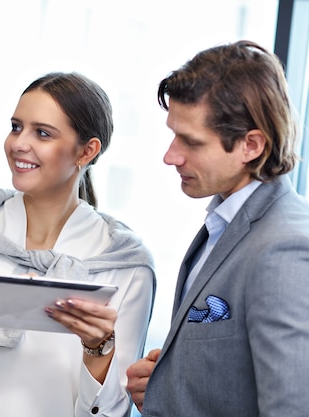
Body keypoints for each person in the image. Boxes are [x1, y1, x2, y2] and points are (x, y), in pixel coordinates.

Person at [0, 72, 156, 417]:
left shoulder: (125, 263)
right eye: (16, 126)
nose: (19, 143)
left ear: (87, 151)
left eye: (42, 133)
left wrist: (98, 350)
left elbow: (109, 414)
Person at [125, 40, 309, 416]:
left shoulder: (284, 248)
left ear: (251, 145)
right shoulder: (225, 222)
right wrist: (166, 383)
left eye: (191, 142)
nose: (170, 155)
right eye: (173, 134)